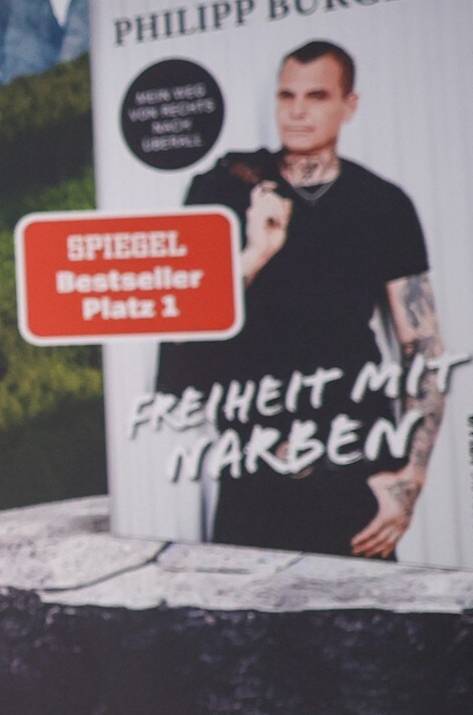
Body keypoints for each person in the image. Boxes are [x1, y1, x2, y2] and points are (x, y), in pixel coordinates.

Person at [156, 39, 445, 559]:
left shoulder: (382, 204)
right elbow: (180, 327)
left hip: (352, 464)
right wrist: (255, 252)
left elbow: (422, 348)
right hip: (252, 467)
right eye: (286, 95)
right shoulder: (223, 188)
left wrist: (411, 480)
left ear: (348, 105)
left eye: (316, 96)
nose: (296, 111)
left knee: (363, 631)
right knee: (244, 633)